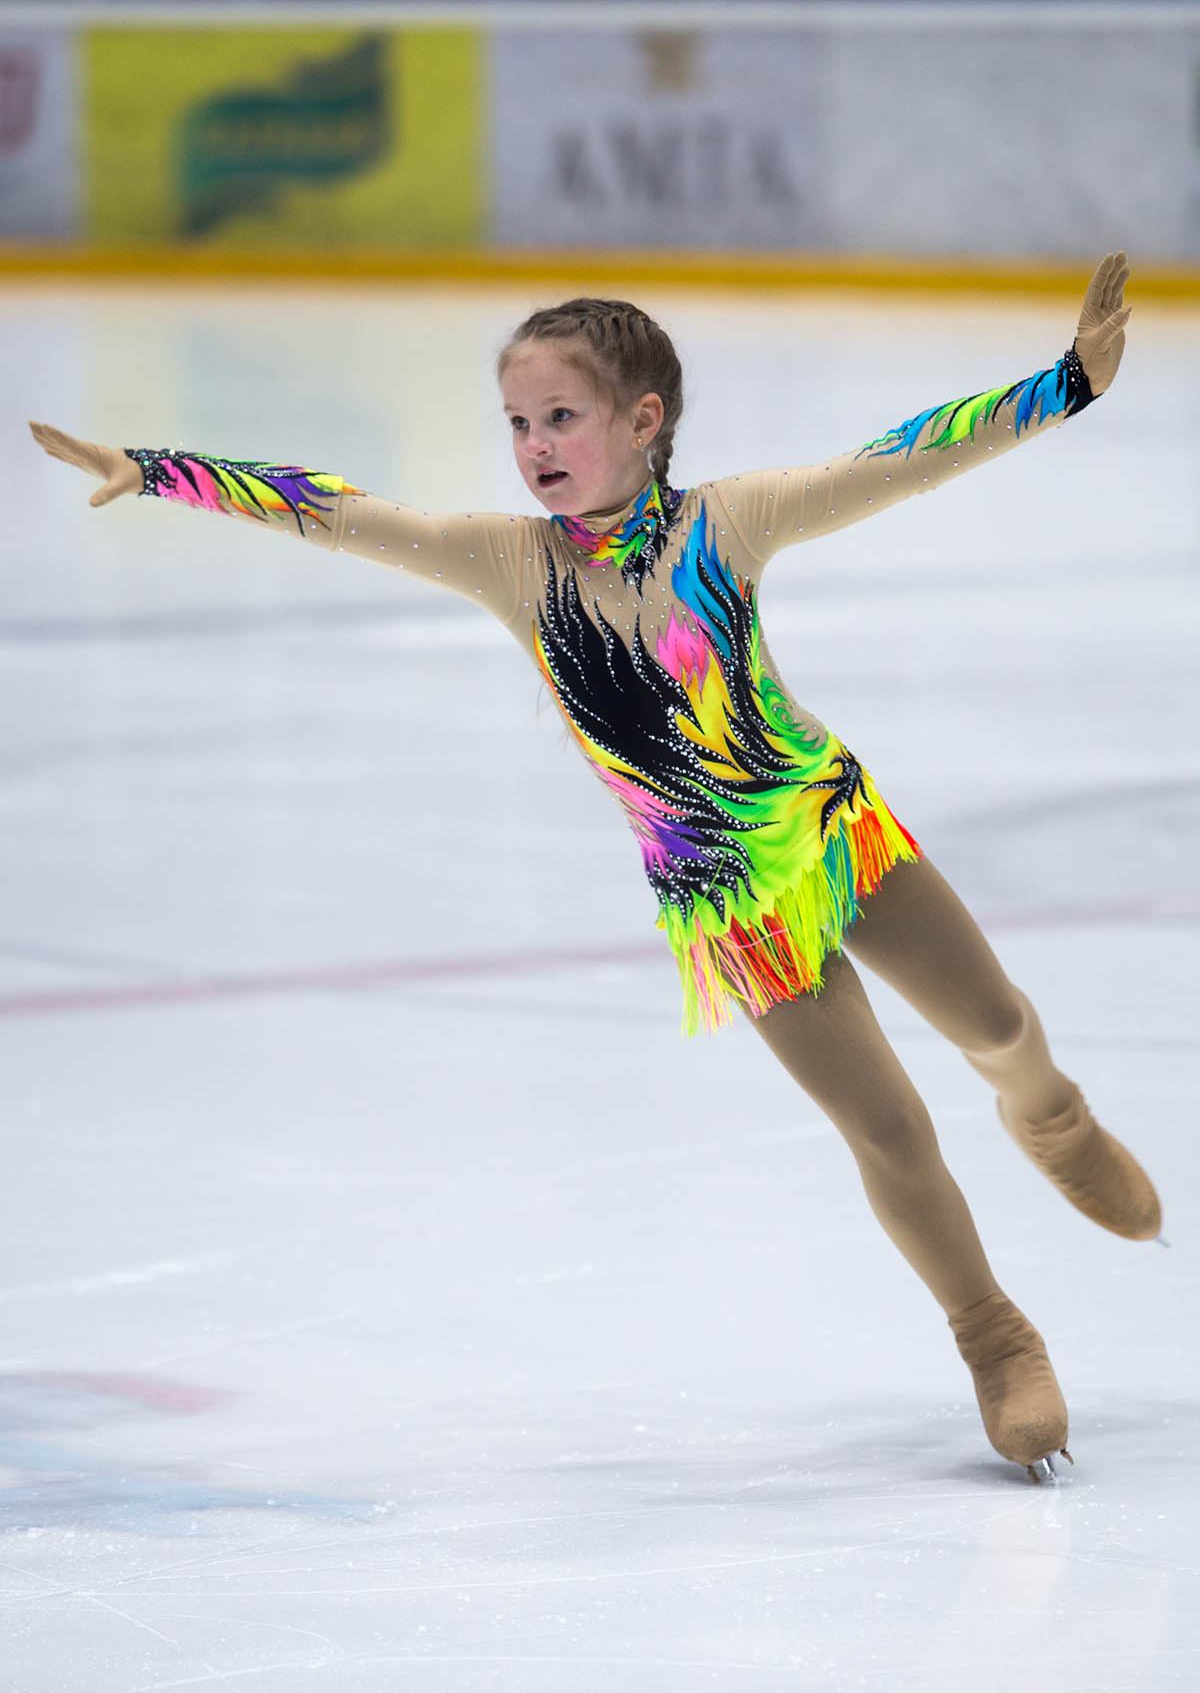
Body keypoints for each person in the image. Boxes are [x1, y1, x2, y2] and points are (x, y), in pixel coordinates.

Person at [31, 251, 1160, 1482]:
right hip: (728, 909)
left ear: (642, 419)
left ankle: (1050, 1114)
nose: (533, 446)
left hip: (836, 833)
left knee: (997, 1026)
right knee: (886, 1126)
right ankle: (993, 1335)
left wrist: (1068, 384)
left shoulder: (728, 523)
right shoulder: (512, 563)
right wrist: (156, 469)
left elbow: (895, 460)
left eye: (559, 416)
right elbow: (338, 511)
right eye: (517, 423)